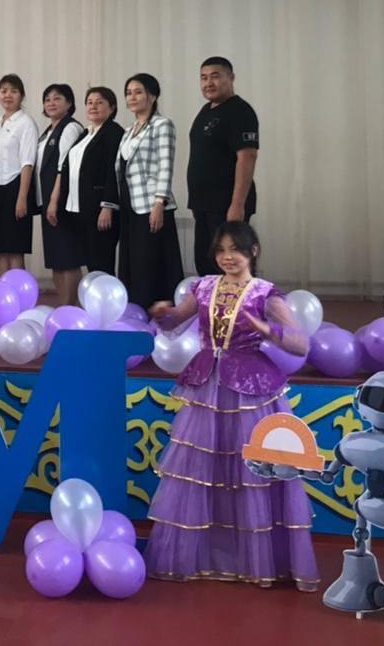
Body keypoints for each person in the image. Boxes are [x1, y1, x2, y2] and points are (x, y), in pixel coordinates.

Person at [142, 222, 318, 590]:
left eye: (235, 249)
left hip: (249, 389)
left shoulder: (266, 294)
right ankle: (204, 554)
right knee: (202, 470)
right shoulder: (204, 286)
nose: (227, 257)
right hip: (208, 385)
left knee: (249, 471)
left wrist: (270, 332)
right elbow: (176, 320)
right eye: (221, 250)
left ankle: (254, 559)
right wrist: (162, 313)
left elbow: (300, 344)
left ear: (253, 251)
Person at [116, 73, 183, 308]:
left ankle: (160, 314)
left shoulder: (162, 125)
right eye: (128, 93)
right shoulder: (128, 130)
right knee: (133, 263)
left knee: (152, 263)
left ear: (152, 96)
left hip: (151, 205)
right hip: (130, 205)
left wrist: (159, 203)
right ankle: (136, 310)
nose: (132, 97)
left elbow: (166, 165)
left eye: (138, 92)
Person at [188, 56, 259, 277]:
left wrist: (237, 205)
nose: (208, 83)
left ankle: (240, 301)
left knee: (232, 265)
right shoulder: (206, 110)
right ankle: (213, 301)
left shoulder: (241, 111)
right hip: (203, 203)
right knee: (206, 264)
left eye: (215, 77)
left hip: (226, 204)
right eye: (203, 78)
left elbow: (247, 157)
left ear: (231, 78)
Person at [57, 86, 125, 276]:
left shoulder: (113, 132)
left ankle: (105, 294)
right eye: (89, 102)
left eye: (99, 102)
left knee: (101, 261)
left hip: (100, 209)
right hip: (80, 208)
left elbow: (113, 171)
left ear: (112, 108)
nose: (93, 106)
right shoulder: (86, 133)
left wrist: (108, 206)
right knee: (90, 260)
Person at [34, 83, 85, 306]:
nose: (51, 103)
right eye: (47, 99)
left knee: (68, 258)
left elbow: (63, 167)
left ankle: (70, 306)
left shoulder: (70, 127)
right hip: (48, 200)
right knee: (56, 259)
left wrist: (54, 200)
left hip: (62, 201)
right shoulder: (48, 131)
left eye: (57, 98)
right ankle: (64, 305)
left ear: (69, 103)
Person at [0, 74, 39, 274]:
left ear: (22, 96)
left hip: (16, 188)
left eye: (13, 91)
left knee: (15, 250)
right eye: (3, 91)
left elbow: (27, 163)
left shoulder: (26, 123)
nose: (8, 95)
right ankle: (3, 292)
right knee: (0, 251)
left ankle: (18, 292)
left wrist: (22, 198)